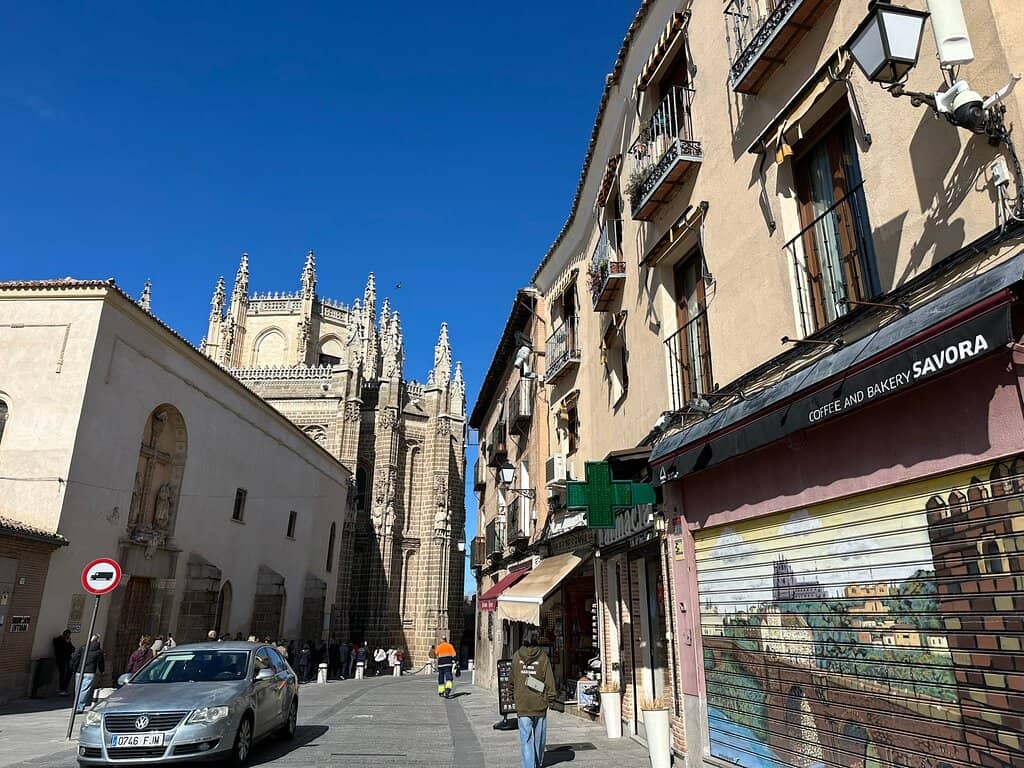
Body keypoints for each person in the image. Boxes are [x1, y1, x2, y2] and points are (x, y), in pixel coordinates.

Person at [511, 630, 557, 768]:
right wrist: (551, 698)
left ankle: (528, 766)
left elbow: (511, 681)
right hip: (539, 704)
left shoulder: (515, 657)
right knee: (540, 739)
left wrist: (513, 694)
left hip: (523, 704)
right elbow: (549, 681)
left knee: (526, 739)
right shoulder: (543, 657)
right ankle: (537, 763)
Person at [70, 634, 105, 714]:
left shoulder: (83, 647)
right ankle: (79, 707)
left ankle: (76, 706)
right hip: (90, 672)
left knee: (77, 690)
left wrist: (73, 667)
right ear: (98, 640)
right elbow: (100, 662)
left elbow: (75, 657)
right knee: (84, 690)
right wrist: (102, 670)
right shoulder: (99, 651)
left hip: (79, 671)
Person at [52, 630, 74, 695]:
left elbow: (72, 648)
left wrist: (68, 643)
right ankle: (62, 689)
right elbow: (63, 649)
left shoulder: (66, 641)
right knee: (63, 674)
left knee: (68, 673)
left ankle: (64, 689)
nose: (69, 636)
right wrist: (67, 643)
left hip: (66, 660)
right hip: (62, 660)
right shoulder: (59, 640)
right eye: (68, 635)